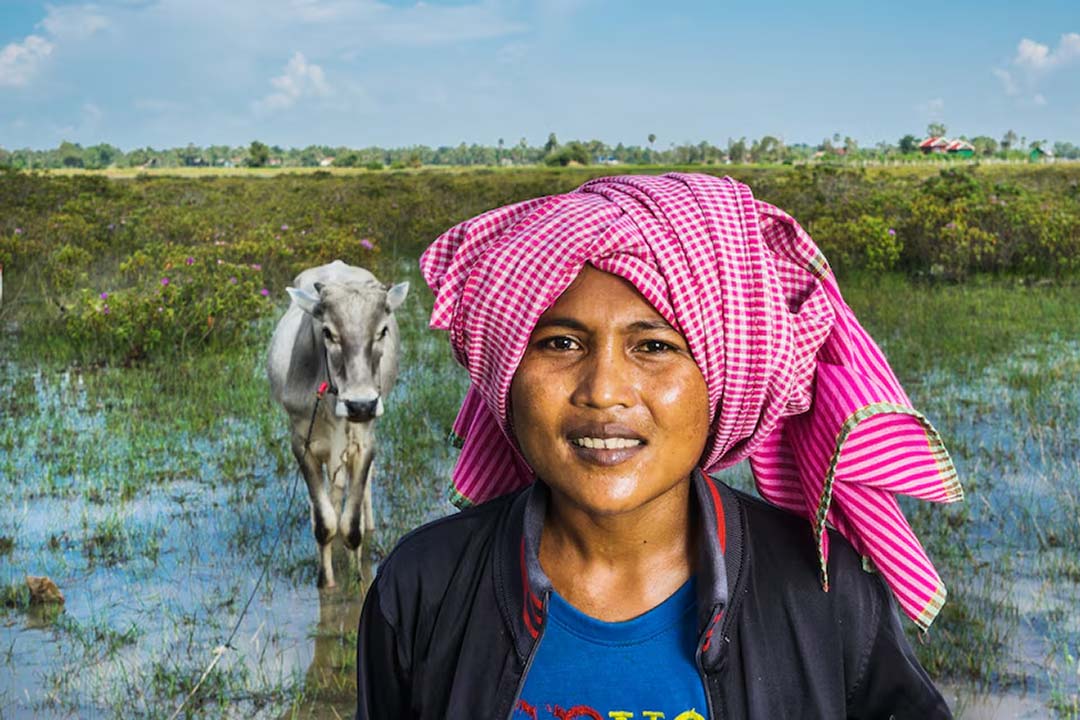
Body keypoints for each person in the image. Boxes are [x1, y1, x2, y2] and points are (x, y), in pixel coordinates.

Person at [354, 173, 962, 719]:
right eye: (561, 343)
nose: (604, 392)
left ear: (726, 377)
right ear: (508, 370)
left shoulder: (826, 594)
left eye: (654, 347)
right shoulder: (423, 586)